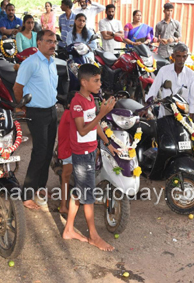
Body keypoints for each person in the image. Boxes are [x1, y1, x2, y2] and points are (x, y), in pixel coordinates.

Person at [62, 64, 117, 252]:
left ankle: (68, 229)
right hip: (82, 154)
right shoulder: (77, 103)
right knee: (88, 196)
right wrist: (102, 113)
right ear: (84, 82)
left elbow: (95, 126)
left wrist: (108, 143)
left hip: (91, 150)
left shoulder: (91, 98)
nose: (99, 84)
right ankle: (93, 236)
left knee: (80, 191)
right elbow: (83, 130)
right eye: (96, 80)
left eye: (100, 80)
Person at [13, 30, 59, 210]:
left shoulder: (52, 62)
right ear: (38, 43)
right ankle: (26, 195)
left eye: (54, 41)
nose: (52, 44)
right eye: (48, 41)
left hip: (51, 111)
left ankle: (40, 187)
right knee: (39, 152)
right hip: (36, 112)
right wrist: (23, 107)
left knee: (48, 152)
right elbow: (18, 88)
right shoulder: (30, 63)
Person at [146, 43, 194, 118]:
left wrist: (191, 116)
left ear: (187, 57)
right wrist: (147, 106)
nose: (181, 60)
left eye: (184, 56)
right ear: (173, 56)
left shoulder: (191, 75)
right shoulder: (164, 71)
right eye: (178, 56)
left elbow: (193, 97)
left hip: (183, 116)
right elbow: (154, 89)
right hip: (165, 114)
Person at [56, 91, 76, 215]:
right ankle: (63, 205)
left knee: (66, 177)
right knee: (66, 176)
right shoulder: (71, 115)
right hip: (69, 150)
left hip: (67, 148)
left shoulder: (68, 113)